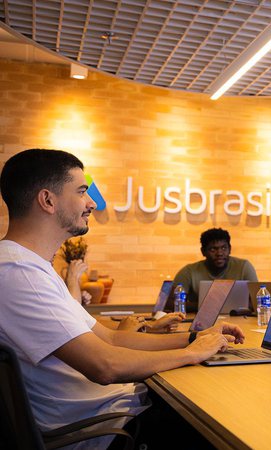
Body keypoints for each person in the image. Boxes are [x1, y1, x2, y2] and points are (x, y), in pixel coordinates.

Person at [0, 149, 245, 447]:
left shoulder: (33, 268)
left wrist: (195, 338)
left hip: (113, 413)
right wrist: (192, 353)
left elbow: (112, 339)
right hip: (105, 430)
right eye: (81, 192)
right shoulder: (19, 272)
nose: (91, 203)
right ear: (48, 200)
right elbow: (105, 365)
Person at [172, 227, 258, 312]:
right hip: (201, 319)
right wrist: (206, 306)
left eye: (224, 248)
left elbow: (257, 301)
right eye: (213, 249)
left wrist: (216, 306)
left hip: (239, 319)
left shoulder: (244, 267)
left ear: (230, 249)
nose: (219, 253)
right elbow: (171, 303)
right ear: (203, 251)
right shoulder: (189, 272)